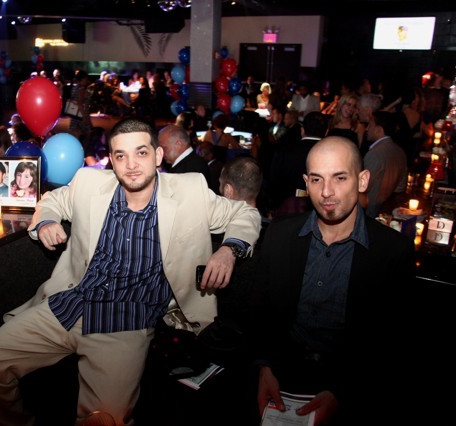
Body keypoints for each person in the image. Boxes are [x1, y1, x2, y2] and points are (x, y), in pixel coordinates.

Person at [0, 118, 262, 426]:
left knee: (105, 420)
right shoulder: (89, 182)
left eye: (141, 153)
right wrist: (47, 222)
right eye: (121, 155)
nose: (131, 165)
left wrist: (229, 250)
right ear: (112, 160)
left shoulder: (191, 190)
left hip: (125, 323)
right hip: (68, 304)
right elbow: (51, 200)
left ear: (158, 156)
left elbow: (246, 213)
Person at [245, 136, 415, 425]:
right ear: (305, 183)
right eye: (316, 179)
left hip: (352, 381)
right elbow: (260, 312)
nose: (326, 191)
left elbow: (393, 340)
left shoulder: (392, 251)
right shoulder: (280, 235)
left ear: (362, 180)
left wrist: (342, 392)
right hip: (281, 375)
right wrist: (264, 367)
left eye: (340, 177)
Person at [360, 111, 407, 217]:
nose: (367, 129)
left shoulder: (375, 154)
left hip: (370, 213)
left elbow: (363, 186)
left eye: (370, 125)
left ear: (379, 130)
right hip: (388, 211)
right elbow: (401, 186)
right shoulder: (400, 151)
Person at [158, 124, 213, 190]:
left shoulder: (185, 171)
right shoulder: (196, 162)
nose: (161, 152)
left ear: (179, 144)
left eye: (164, 148)